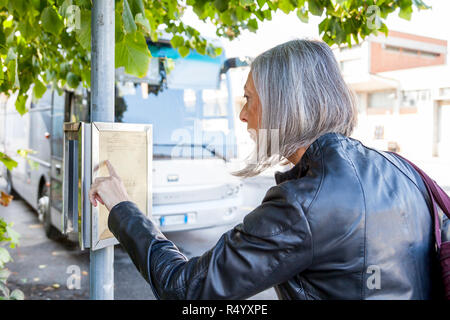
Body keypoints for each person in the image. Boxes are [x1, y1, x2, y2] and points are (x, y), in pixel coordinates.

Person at [89, 39, 441, 299]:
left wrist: (122, 207)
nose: (242, 114)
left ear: (282, 105)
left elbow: (184, 289)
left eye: (249, 99)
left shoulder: (303, 204)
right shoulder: (402, 170)